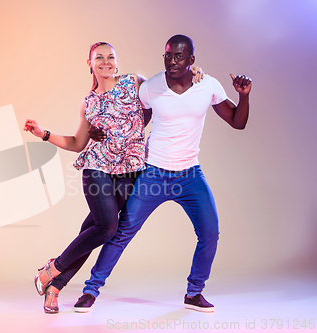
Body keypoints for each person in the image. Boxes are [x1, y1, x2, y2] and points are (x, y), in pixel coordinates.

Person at [75, 34, 252, 313]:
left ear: (192, 60)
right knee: (121, 232)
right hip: (154, 174)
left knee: (210, 233)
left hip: (190, 176)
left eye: (179, 56)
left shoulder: (207, 85)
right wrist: (101, 131)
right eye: (168, 55)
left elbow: (237, 122)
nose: (172, 61)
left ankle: (194, 293)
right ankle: (90, 290)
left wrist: (243, 96)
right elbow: (130, 119)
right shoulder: (152, 87)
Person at [23, 41, 204, 314]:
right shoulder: (90, 102)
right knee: (107, 228)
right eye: (99, 58)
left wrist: (194, 72)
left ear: (117, 61)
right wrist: (44, 134)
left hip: (130, 170)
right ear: (90, 64)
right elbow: (76, 142)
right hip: (97, 167)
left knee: (91, 232)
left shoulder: (134, 82)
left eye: (111, 57)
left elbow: (168, 85)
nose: (106, 62)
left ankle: (54, 285)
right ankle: (54, 268)